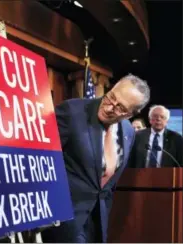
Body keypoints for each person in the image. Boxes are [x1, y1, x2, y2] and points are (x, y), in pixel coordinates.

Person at [42, 74, 150, 243]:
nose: (109, 108)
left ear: (130, 115)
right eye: (111, 97)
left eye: (120, 108)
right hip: (63, 220)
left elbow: (108, 184)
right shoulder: (72, 112)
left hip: (97, 222)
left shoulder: (128, 132)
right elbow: (42, 160)